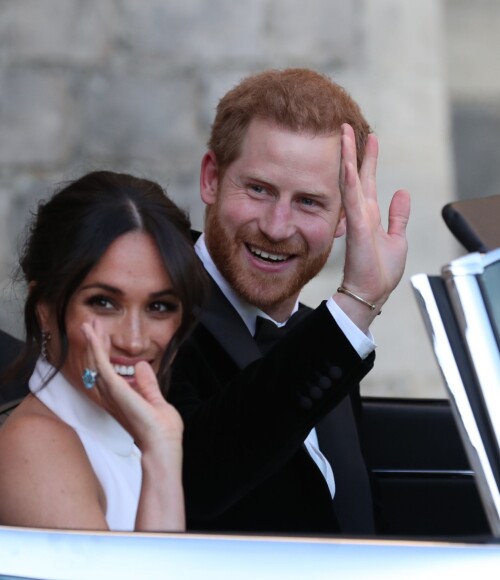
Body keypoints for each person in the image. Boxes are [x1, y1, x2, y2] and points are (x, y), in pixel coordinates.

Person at [167, 68, 411, 535]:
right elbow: (196, 481)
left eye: (309, 203)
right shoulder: (154, 312)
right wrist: (357, 304)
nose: (278, 227)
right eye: (259, 190)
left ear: (344, 218)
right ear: (212, 179)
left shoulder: (320, 334)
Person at [0, 171, 208, 532]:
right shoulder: (34, 448)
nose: (133, 340)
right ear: (45, 310)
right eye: (103, 303)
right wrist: (161, 455)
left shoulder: (123, 435)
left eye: (159, 307)